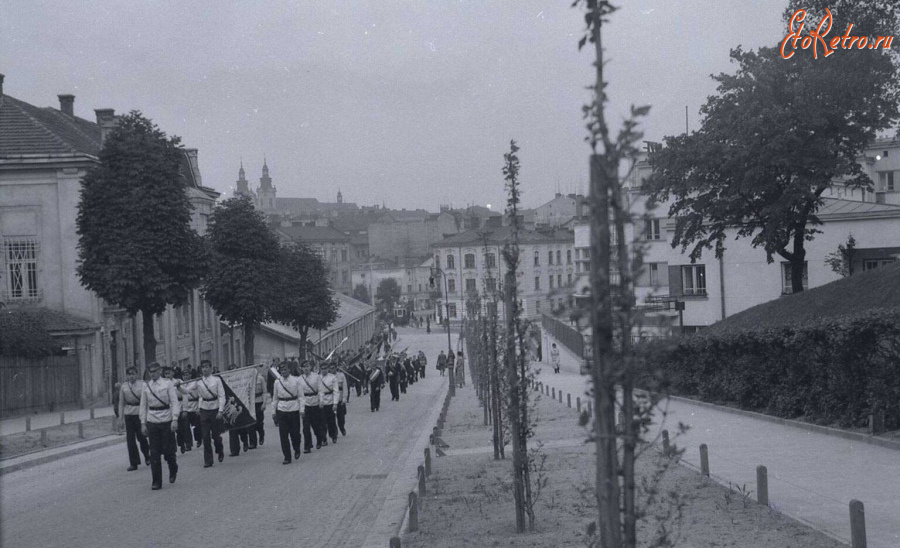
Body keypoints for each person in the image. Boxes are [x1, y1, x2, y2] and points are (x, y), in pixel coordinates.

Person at [139, 362, 180, 490]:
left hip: (166, 419)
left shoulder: (168, 384)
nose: (152, 374)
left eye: (155, 371)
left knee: (168, 451)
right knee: (154, 452)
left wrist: (174, 419)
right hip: (152, 420)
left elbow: (174, 402)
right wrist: (143, 423)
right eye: (150, 372)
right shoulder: (146, 386)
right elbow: (143, 406)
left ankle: (173, 467)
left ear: (160, 371)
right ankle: (156, 481)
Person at [118, 366, 150, 471]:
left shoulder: (143, 384)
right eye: (129, 374)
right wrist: (120, 418)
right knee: (130, 440)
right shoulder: (124, 386)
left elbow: (146, 401)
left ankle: (147, 455)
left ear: (137, 374)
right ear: (127, 376)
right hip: (129, 414)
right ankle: (134, 463)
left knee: (142, 437)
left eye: (133, 374)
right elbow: (121, 403)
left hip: (139, 413)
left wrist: (146, 416)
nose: (131, 376)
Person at [271, 362, 303, 464]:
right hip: (282, 409)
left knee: (295, 434)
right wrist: (273, 411)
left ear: (289, 370)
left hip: (293, 408)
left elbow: (301, 396)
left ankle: (297, 448)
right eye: (282, 370)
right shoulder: (277, 382)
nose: (283, 372)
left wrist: (302, 410)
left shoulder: (296, 380)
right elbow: (275, 398)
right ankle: (287, 457)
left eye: (285, 369)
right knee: (283, 435)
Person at [197, 359, 226, 468]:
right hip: (204, 409)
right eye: (203, 367)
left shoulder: (217, 380)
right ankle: (208, 460)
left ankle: (220, 449)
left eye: (206, 367)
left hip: (215, 408)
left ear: (211, 368)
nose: (204, 369)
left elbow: (222, 396)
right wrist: (179, 386)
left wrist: (220, 411)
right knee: (205, 436)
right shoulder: (199, 381)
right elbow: (188, 391)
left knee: (216, 435)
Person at [298, 360, 325, 452]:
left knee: (316, 425)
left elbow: (321, 390)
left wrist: (321, 401)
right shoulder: (299, 379)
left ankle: (319, 439)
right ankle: (307, 446)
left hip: (315, 402)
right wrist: (300, 407)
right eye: (304, 367)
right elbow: (299, 394)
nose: (306, 368)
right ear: (301, 368)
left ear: (310, 367)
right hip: (305, 404)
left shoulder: (316, 377)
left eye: (307, 366)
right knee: (306, 427)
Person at [225, 364, 250, 457]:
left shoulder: (242, 380)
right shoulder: (226, 381)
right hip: (231, 406)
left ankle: (245, 440)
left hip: (241, 405)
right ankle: (234, 450)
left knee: (242, 427)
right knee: (232, 428)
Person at [320, 362, 340, 444]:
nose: (324, 370)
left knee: (331, 420)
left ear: (328, 369)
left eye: (325, 368)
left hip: (330, 401)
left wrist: (335, 403)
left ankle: (333, 435)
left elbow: (336, 391)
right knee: (322, 421)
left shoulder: (332, 378)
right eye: (322, 369)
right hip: (321, 402)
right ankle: (323, 438)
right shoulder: (318, 378)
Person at [248, 365, 266, 449]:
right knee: (251, 423)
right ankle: (252, 442)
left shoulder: (260, 378)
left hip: (259, 402)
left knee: (259, 422)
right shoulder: (246, 379)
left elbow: (264, 392)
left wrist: (264, 403)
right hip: (250, 403)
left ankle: (261, 434)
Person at [335, 362, 349, 437]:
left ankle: (342, 428)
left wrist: (344, 398)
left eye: (333, 367)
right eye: (330, 368)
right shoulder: (327, 377)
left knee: (341, 417)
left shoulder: (341, 375)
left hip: (340, 400)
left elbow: (345, 388)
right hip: (331, 401)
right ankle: (334, 432)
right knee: (331, 418)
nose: (332, 369)